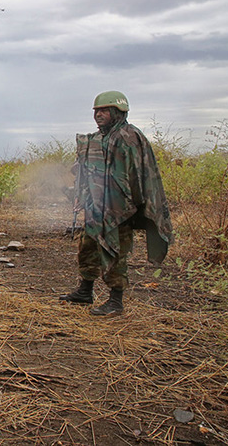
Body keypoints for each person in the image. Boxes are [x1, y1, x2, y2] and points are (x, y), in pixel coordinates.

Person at [60, 91, 172, 316]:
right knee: (88, 248)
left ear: (118, 112)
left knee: (115, 252)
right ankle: (85, 291)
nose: (99, 115)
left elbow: (136, 175)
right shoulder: (99, 138)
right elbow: (89, 168)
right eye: (96, 111)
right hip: (96, 208)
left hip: (120, 209)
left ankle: (116, 300)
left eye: (104, 110)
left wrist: (128, 206)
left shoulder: (128, 137)